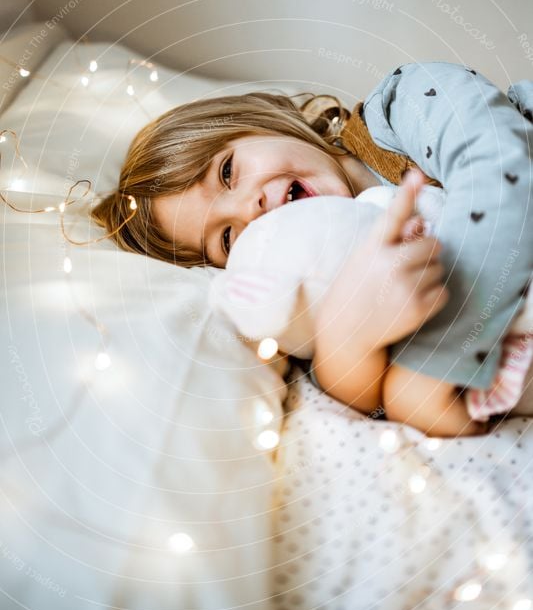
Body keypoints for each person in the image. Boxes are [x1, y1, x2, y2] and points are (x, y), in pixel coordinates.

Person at [90, 62, 533, 435]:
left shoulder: (405, 105)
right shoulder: (315, 272)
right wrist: (349, 341)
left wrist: (430, 366)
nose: (250, 208)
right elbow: (356, 393)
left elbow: (503, 171)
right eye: (226, 237)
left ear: (263, 122)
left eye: (227, 171)